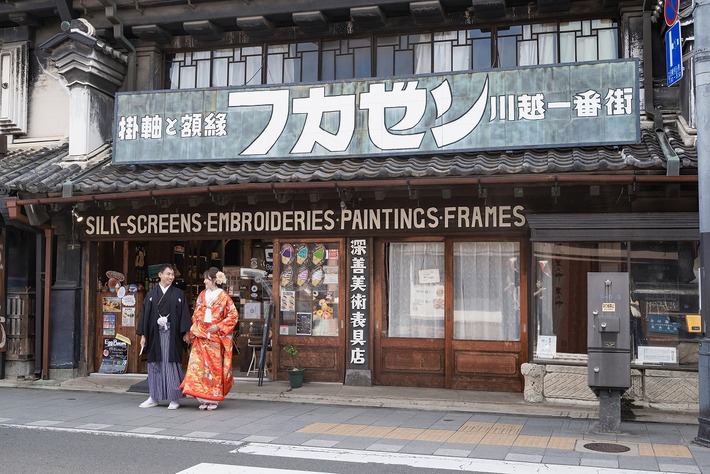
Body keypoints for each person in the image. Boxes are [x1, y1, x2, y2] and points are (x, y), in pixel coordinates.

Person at [181, 267, 239, 411]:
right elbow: (196, 314)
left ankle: (213, 398)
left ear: (214, 280)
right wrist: (193, 332)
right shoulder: (202, 295)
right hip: (201, 335)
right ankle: (202, 397)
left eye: (206, 279)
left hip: (215, 337)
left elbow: (233, 315)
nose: (204, 281)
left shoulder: (223, 296)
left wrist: (218, 326)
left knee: (213, 368)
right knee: (198, 367)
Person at [136, 263, 192, 410]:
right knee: (154, 364)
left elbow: (184, 313)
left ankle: (174, 397)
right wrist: (143, 335)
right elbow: (145, 316)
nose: (171, 277)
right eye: (168, 274)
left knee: (171, 363)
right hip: (154, 333)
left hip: (172, 334)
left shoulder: (178, 294)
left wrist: (186, 332)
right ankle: (154, 396)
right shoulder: (151, 294)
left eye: (172, 274)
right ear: (160, 275)